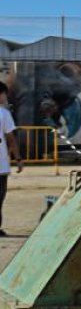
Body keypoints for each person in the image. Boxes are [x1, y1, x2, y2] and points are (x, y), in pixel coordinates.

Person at [0, 82, 22, 237]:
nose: (5, 97)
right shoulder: (3, 114)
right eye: (4, 94)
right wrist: (18, 158)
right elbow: (11, 139)